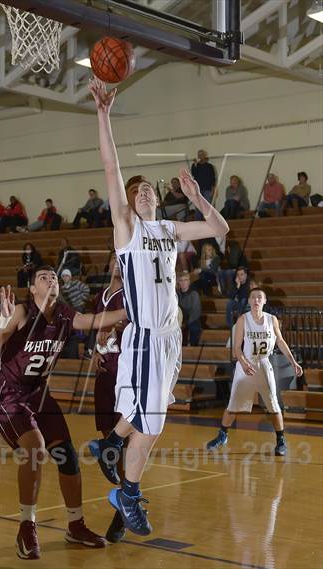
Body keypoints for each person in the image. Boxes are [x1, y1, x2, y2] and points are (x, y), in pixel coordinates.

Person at [87, 77, 229, 536]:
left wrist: (197, 198)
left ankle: (108, 445)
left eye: (150, 188)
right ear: (128, 202)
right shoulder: (126, 231)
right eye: (138, 190)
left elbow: (219, 228)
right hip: (147, 337)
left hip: (171, 339)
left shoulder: (169, 227)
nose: (145, 191)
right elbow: (112, 170)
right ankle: (126, 491)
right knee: (154, 423)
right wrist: (104, 115)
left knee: (149, 416)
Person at [0, 267, 127, 559]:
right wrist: (3, 322)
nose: (52, 281)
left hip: (37, 392)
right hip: (6, 394)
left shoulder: (63, 314)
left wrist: (132, 309)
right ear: (32, 289)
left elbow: (94, 320)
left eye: (55, 278)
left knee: (67, 456)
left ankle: (75, 525)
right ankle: (26, 526)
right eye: (44, 277)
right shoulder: (21, 312)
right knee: (35, 449)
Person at [206, 288, 303, 456]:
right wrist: (243, 363)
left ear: (264, 301)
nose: (256, 300)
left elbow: (280, 341)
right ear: (249, 301)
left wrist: (293, 361)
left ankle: (281, 440)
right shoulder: (243, 319)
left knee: (273, 404)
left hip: (264, 364)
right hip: (246, 364)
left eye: (259, 297)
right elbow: (236, 348)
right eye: (253, 297)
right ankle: (223, 435)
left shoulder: (272, 320)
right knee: (233, 404)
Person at [92, 253, 128, 542]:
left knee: (124, 441)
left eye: (121, 260)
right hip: (104, 374)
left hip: (125, 373)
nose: (117, 264)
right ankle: (123, 494)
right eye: (114, 260)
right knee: (109, 439)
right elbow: (96, 330)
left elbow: (135, 322)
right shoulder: (100, 296)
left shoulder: (130, 295)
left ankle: (124, 509)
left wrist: (112, 328)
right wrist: (94, 350)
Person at [176, 273, 202, 346]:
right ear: (178, 282)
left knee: (194, 327)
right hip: (180, 320)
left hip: (191, 320)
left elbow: (196, 312)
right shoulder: (176, 295)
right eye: (181, 280)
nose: (183, 282)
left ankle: (193, 346)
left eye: (185, 280)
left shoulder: (194, 294)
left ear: (189, 282)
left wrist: (185, 324)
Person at [191, 149, 216, 220]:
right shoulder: (195, 165)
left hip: (207, 189)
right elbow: (193, 174)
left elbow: (213, 178)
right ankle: (198, 221)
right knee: (198, 206)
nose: (200, 156)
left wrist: (213, 189)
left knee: (208, 205)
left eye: (202, 154)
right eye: (199, 154)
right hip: (198, 189)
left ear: (205, 155)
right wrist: (195, 165)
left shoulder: (210, 166)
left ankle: (210, 221)